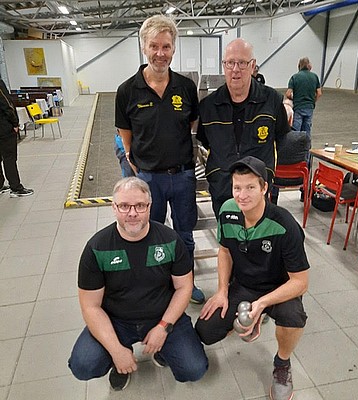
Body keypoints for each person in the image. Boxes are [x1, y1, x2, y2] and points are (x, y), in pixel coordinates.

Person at [68, 177, 208, 391]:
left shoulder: (170, 240)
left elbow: (184, 288)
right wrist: (116, 351)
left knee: (194, 369)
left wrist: (163, 327)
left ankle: (162, 349)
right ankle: (120, 362)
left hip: (161, 315)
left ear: (149, 207)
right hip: (116, 320)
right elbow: (90, 306)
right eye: (124, 206)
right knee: (83, 365)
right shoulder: (97, 248)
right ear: (114, 207)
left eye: (140, 205)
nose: (132, 213)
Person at [195, 156, 309, 400]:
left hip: (279, 288)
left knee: (293, 318)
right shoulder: (227, 211)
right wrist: (222, 291)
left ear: (264, 188)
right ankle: (252, 319)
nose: (242, 195)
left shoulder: (284, 224)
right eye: (237, 187)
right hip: (245, 285)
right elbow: (225, 251)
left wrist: (262, 304)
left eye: (250, 187)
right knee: (206, 331)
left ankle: (282, 364)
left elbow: (300, 282)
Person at [115, 15, 205, 304]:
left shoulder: (186, 87)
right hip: (149, 178)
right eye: (154, 46)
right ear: (144, 47)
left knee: (185, 235)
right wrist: (138, 165)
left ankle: (186, 284)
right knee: (147, 234)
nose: (160, 53)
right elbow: (126, 136)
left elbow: (191, 125)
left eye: (166, 46)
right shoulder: (127, 91)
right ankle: (156, 287)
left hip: (182, 176)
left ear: (173, 48)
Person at [196, 38, 290, 218]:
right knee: (227, 234)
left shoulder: (272, 100)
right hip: (222, 189)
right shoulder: (208, 106)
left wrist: (266, 174)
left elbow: (281, 139)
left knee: (257, 233)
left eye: (242, 63)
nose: (235, 69)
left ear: (252, 66)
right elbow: (207, 143)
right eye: (230, 63)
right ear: (224, 66)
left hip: (257, 192)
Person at [270, 103, 311, 204]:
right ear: (291, 119)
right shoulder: (303, 137)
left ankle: (274, 197)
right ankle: (305, 193)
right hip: (299, 178)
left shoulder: (271, 138)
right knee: (308, 157)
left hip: (275, 178)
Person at [0, 78, 34, 197]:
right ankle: (16, 188)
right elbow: (7, 105)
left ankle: (0, 185)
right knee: (9, 158)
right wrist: (15, 123)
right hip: (4, 128)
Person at [285, 57, 322, 137]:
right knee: (307, 129)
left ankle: (295, 144)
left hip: (298, 106)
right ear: (309, 65)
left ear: (299, 65)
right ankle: (306, 144)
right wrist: (313, 101)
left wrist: (293, 99)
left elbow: (288, 94)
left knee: (296, 129)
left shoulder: (295, 77)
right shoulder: (314, 76)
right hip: (309, 106)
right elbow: (319, 93)